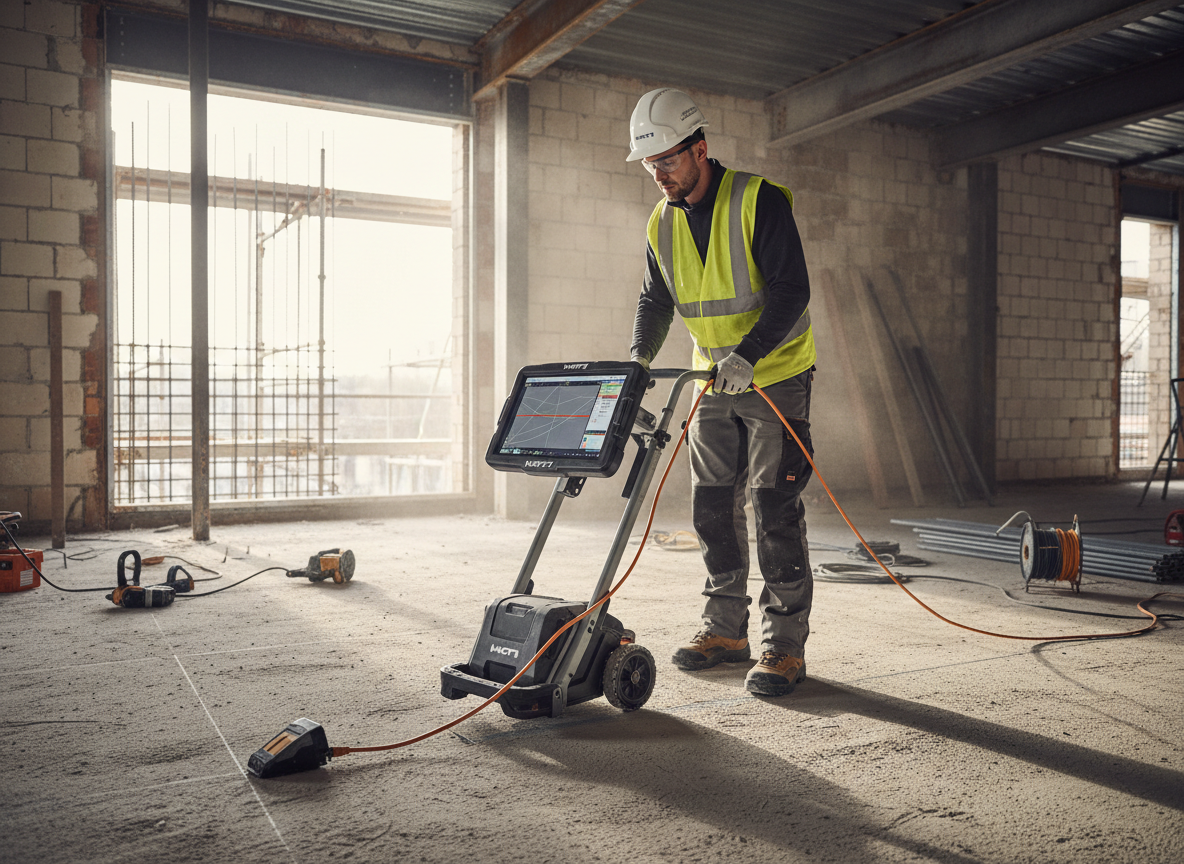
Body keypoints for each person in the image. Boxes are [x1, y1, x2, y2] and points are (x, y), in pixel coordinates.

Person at [625, 88, 817, 697]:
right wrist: (638, 360)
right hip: (711, 381)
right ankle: (725, 629)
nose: (659, 175)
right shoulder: (660, 221)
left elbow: (792, 291)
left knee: (774, 510)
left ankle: (783, 646)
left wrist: (749, 356)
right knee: (712, 508)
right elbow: (656, 301)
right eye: (650, 165)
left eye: (669, 161)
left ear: (700, 149)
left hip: (776, 376)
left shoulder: (759, 202)